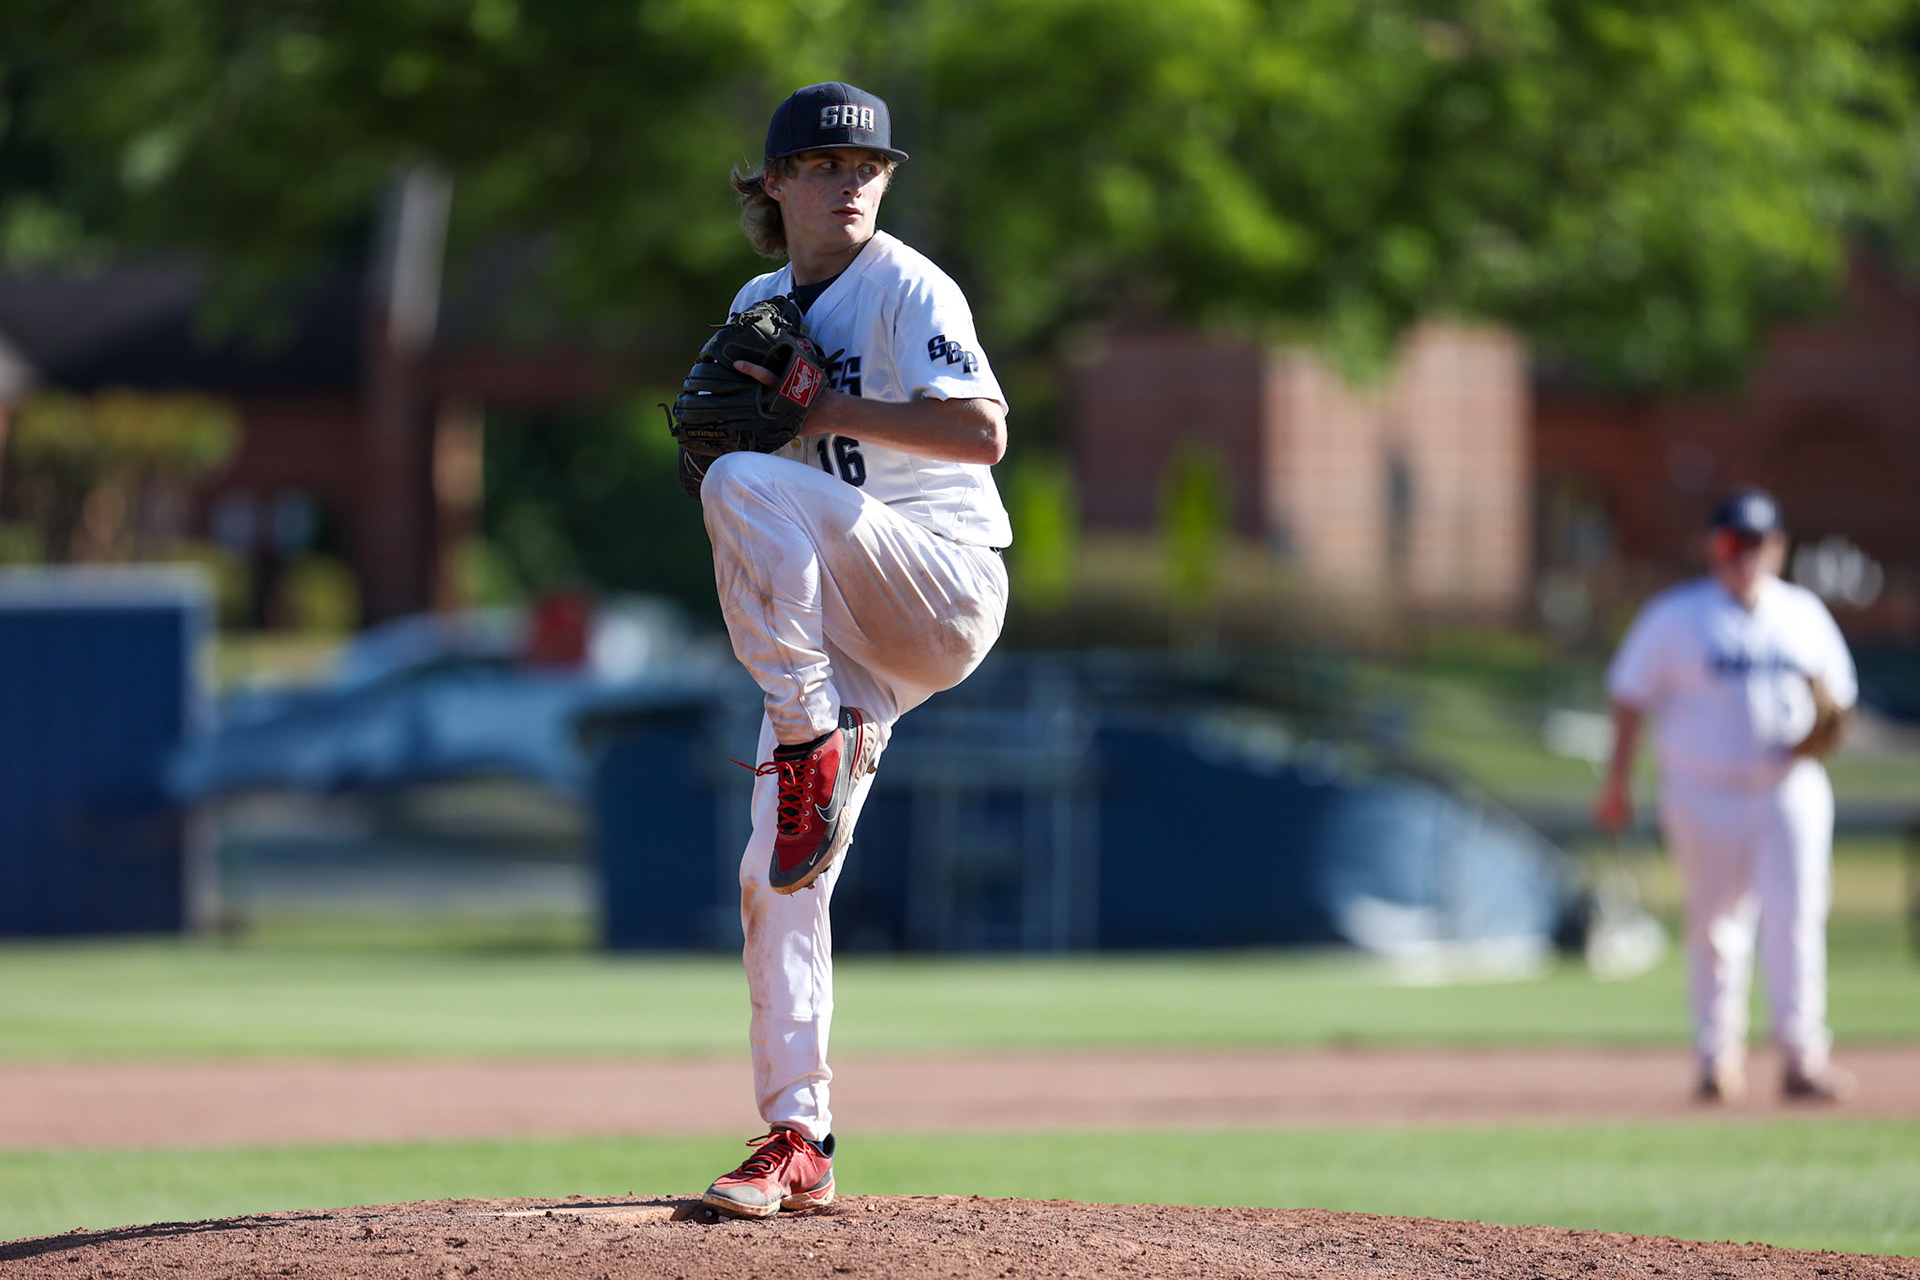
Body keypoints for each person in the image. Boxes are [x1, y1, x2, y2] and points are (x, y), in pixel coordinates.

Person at [692, 82, 1012, 1217]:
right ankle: (799, 1133)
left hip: (942, 580)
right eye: (825, 166)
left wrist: (821, 412)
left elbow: (983, 431)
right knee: (775, 873)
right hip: (850, 628)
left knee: (741, 479)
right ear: (772, 186)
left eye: (869, 165)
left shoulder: (907, 284)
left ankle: (803, 735)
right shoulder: (759, 297)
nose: (850, 182)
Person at [1594, 487, 1857, 1104]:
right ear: (1713, 548)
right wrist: (1617, 783)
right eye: (1730, 542)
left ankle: (1802, 1059)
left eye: (1756, 543)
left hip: (1788, 789)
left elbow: (1839, 702)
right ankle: (1717, 1061)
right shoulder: (1676, 615)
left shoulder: (1803, 614)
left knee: (1795, 920)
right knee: (1714, 926)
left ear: (1778, 548)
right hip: (1701, 791)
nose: (1742, 555)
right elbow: (1629, 697)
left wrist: (1825, 732)